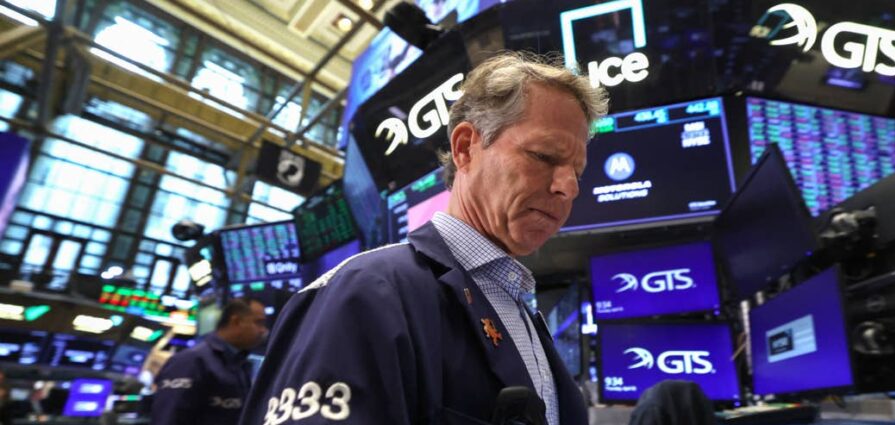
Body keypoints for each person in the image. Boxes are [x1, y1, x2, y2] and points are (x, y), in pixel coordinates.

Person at [238, 52, 608, 425]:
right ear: (465, 148)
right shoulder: (369, 289)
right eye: (543, 156)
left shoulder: (521, 314)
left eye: (577, 172)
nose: (568, 187)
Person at [151, 297, 268, 425]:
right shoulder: (190, 361)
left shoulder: (240, 364)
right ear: (236, 321)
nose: (263, 330)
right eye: (258, 323)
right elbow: (169, 418)